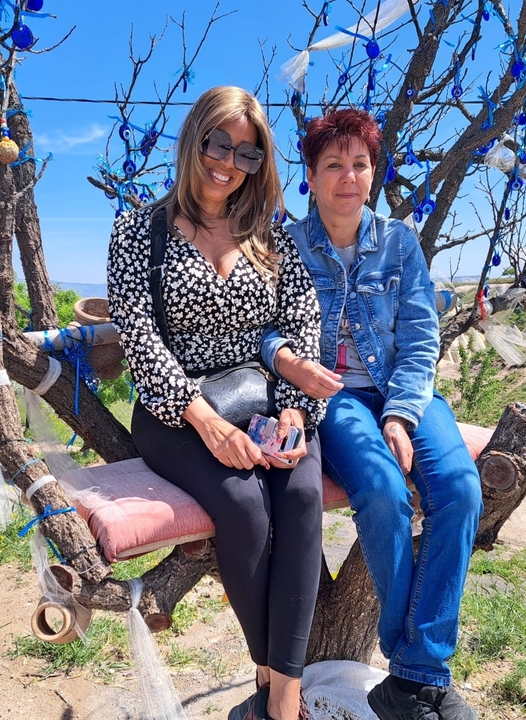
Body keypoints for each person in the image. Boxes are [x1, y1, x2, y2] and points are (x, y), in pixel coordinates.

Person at [107, 86, 326, 720]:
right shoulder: (139, 231)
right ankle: (279, 688)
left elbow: (302, 319)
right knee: (243, 505)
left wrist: (293, 409)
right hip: (176, 409)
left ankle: (277, 696)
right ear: (195, 139)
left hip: (263, 399)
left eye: (248, 154)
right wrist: (204, 422)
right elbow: (140, 338)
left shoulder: (270, 235)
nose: (230, 162)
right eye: (220, 144)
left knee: (302, 495)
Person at [263, 108, 483, 720]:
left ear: (373, 173)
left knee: (461, 490)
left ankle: (413, 677)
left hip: (406, 393)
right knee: (384, 492)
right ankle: (418, 673)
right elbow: (264, 331)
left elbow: (420, 336)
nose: (349, 177)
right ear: (310, 175)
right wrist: (293, 366)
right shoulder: (284, 246)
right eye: (333, 165)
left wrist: (402, 416)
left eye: (360, 164)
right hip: (335, 398)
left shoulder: (398, 243)